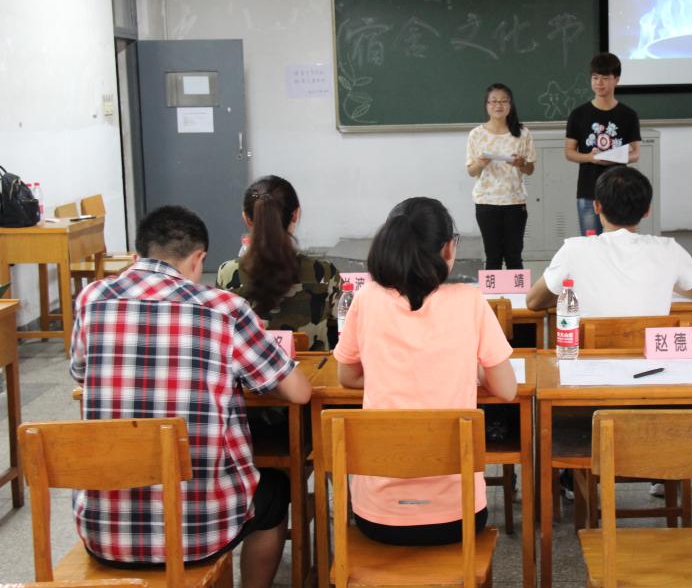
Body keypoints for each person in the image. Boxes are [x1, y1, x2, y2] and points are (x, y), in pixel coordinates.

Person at [70, 205, 312, 588]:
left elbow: (80, 373)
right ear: (199, 259)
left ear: (137, 256)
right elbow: (299, 392)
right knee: (275, 491)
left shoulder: (91, 300)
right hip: (200, 533)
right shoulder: (224, 310)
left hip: (103, 532)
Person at [335, 197, 517, 545]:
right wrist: (471, 368)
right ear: (448, 248)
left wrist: (389, 375)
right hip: (458, 515)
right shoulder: (469, 300)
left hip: (377, 517)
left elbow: (347, 377)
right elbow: (507, 390)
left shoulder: (366, 299)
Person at [526, 166, 692, 315]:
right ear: (647, 211)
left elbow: (533, 301)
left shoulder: (574, 249)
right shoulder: (670, 250)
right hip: (650, 354)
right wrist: (669, 284)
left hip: (591, 353)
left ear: (596, 207)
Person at [217, 175, 339, 350]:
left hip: (252, 367)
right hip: (313, 367)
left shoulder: (227, 273)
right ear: (295, 214)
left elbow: (223, 331)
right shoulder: (325, 273)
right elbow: (341, 327)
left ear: (247, 218)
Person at [565, 52, 641, 236]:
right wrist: (590, 157)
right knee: (591, 242)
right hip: (588, 191)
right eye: (595, 78)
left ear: (616, 80)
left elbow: (636, 153)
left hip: (619, 191)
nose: (599, 83)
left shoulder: (628, 115)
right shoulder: (578, 114)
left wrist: (616, 158)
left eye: (605, 78)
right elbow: (569, 152)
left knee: (619, 243)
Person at [466, 83, 537, 270]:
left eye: (504, 101)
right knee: (493, 257)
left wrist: (521, 163)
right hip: (486, 202)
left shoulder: (522, 133)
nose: (498, 105)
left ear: (510, 105)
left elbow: (530, 169)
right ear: (486, 105)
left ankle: (518, 291)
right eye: (494, 101)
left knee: (514, 257)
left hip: (514, 201)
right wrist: (481, 163)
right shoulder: (476, 134)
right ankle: (492, 291)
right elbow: (471, 171)